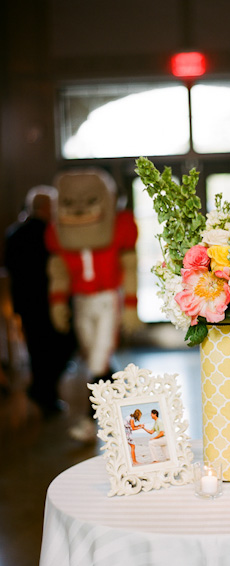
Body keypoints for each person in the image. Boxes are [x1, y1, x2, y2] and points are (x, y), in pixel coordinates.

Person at [45, 169, 139, 442]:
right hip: (81, 300)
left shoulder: (119, 225)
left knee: (98, 360)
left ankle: (88, 421)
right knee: (95, 360)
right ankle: (127, 399)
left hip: (107, 297)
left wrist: (132, 304)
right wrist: (58, 300)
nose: (80, 208)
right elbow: (59, 269)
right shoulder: (58, 232)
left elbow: (130, 265)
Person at [4, 186, 76, 417]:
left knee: (38, 351)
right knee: (58, 347)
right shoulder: (51, 234)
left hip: (26, 304)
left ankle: (43, 393)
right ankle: (44, 394)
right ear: (46, 208)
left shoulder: (14, 233)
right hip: (48, 302)